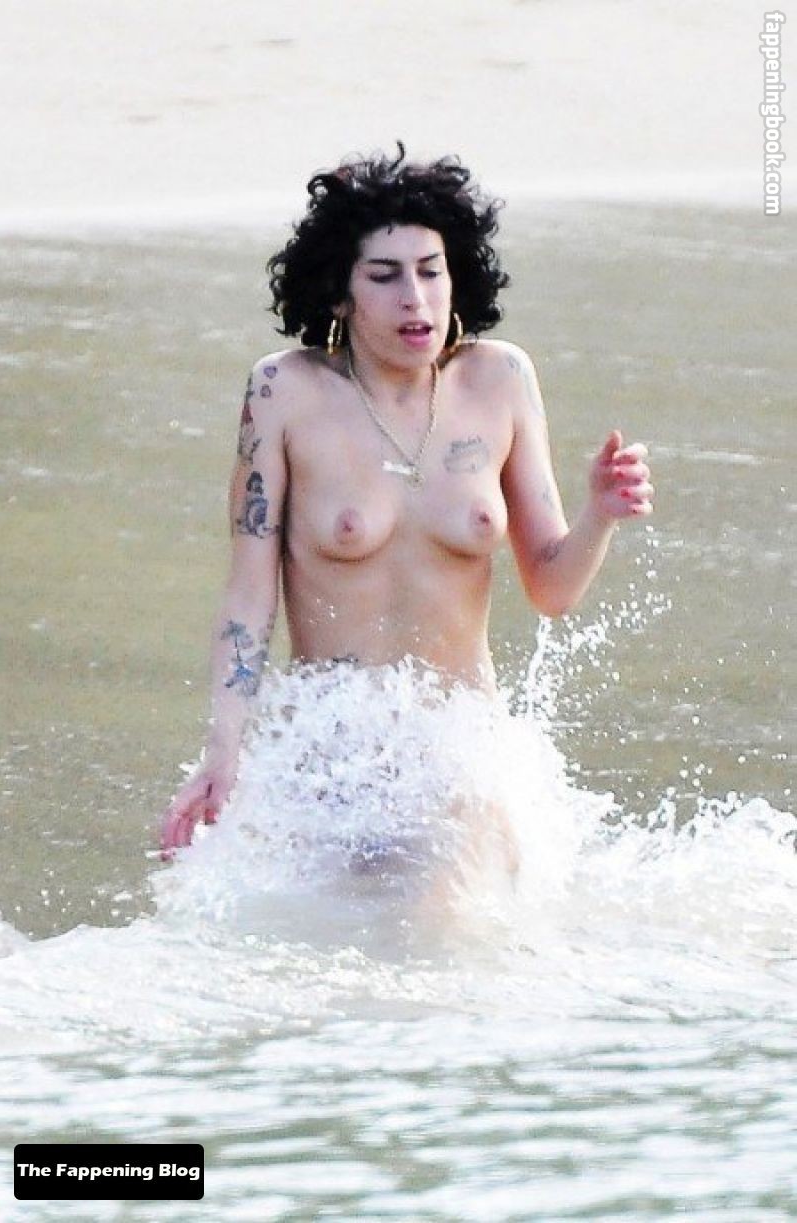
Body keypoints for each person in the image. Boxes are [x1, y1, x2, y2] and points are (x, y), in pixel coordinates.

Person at [159, 145, 653, 859]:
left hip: (460, 753)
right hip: (329, 753)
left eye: (430, 271)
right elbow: (248, 597)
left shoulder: (500, 380)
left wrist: (599, 513)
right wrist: (223, 752)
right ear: (340, 293)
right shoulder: (283, 393)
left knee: (433, 906)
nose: (414, 299)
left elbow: (552, 589)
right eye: (384, 276)